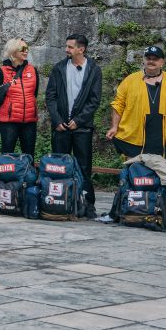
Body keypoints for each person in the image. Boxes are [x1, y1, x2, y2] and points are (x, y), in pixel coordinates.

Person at [45, 34, 103, 219]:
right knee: (58, 166)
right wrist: (57, 120)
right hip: (61, 127)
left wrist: (79, 120)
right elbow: (50, 97)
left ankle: (88, 204)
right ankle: (58, 201)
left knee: (84, 167)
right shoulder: (59, 68)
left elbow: (94, 100)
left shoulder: (94, 70)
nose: (66, 50)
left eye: (70, 47)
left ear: (81, 49)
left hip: (82, 128)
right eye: (67, 46)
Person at [105, 45, 166, 161]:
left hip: (163, 136)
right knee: (135, 168)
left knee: (162, 169)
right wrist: (114, 126)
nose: (151, 61)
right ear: (144, 61)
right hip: (135, 135)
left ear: (162, 62)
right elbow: (118, 104)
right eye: (148, 58)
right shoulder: (130, 80)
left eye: (155, 59)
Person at [0, 38, 40, 157]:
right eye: (22, 48)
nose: (26, 51)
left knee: (29, 155)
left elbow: (34, 94)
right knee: (7, 155)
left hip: (29, 121)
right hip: (9, 122)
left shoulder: (32, 70)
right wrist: (3, 110)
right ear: (13, 50)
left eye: (27, 48)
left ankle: (28, 170)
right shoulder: (3, 71)